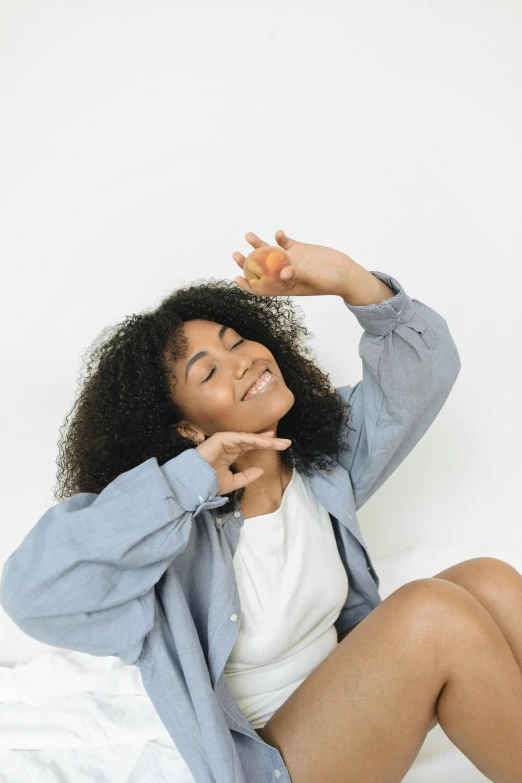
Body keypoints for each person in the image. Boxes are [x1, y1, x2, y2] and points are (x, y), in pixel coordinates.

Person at [3, 230, 521, 783]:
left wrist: (353, 281)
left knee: (489, 580)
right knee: (432, 612)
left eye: (235, 342)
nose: (242, 362)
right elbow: (32, 592)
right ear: (184, 428)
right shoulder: (170, 542)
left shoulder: (321, 465)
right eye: (208, 371)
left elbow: (425, 376)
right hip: (275, 766)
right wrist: (185, 483)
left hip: (358, 711)